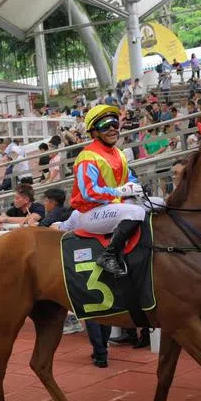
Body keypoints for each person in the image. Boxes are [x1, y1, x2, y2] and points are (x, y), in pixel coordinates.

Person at [68, 104, 145, 277]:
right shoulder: (87, 156)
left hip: (113, 208)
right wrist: (119, 192)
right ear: (94, 132)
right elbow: (89, 192)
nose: (112, 129)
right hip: (92, 213)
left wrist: (136, 188)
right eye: (105, 125)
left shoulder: (119, 153)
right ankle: (108, 255)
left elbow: (127, 181)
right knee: (136, 212)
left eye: (114, 124)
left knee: (158, 204)